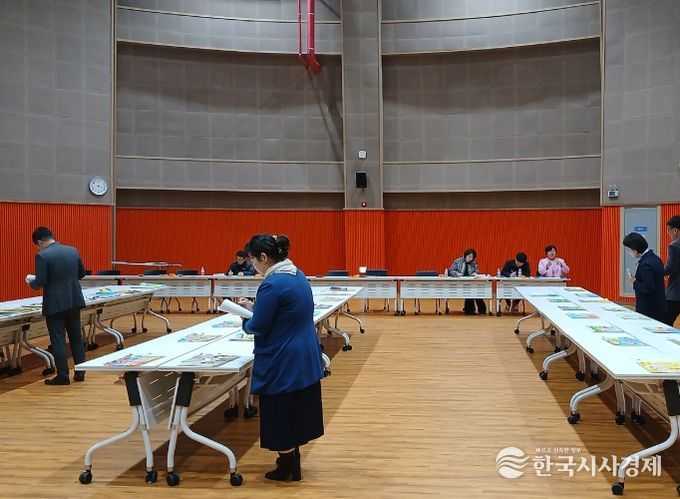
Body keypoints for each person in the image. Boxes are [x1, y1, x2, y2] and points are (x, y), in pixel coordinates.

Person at [239, 234, 324, 481]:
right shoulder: (297, 274)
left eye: (253, 260)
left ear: (264, 257)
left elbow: (259, 326)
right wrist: (255, 308)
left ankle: (287, 464)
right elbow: (284, 311)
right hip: (303, 351)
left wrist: (245, 318)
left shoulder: (272, 283)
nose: (252, 265)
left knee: (280, 411)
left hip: (283, 356)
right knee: (295, 409)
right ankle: (292, 460)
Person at [26, 227, 87, 385]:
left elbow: (41, 281)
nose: (38, 248)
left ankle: (63, 375)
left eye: (37, 245)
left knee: (58, 338)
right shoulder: (72, 251)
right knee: (76, 337)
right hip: (74, 300)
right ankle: (80, 372)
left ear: (40, 242)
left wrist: (31, 282)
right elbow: (81, 273)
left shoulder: (42, 256)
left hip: (54, 304)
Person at [623, 232, 666, 322]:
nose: (629, 252)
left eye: (629, 249)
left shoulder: (646, 264)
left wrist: (634, 282)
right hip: (659, 306)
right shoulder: (654, 258)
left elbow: (648, 287)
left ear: (635, 250)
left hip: (650, 310)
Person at [448, 248, 487, 315]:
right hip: (460, 283)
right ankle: (470, 310)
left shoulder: (473, 262)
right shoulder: (458, 261)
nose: (471, 259)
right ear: (465, 255)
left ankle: (482, 310)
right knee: (470, 293)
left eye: (472, 257)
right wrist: (457, 274)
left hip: (471, 282)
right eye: (469, 256)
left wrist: (475, 273)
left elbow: (477, 271)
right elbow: (451, 271)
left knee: (477, 292)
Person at [664, 215, 680, 326]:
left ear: (675, 230)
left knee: (665, 322)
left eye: (668, 231)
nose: (668, 234)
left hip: (675, 292)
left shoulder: (674, 246)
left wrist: (657, 271)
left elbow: (670, 268)